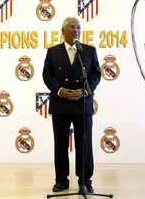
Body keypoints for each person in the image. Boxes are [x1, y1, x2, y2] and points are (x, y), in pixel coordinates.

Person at [42, 17, 101, 193]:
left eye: (78, 28)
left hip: (82, 104)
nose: (76, 30)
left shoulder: (89, 51)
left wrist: (84, 91)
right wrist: (60, 90)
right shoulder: (53, 52)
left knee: (84, 143)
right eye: (72, 27)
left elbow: (96, 74)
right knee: (60, 144)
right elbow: (47, 75)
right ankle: (61, 180)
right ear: (63, 31)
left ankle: (85, 180)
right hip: (61, 103)